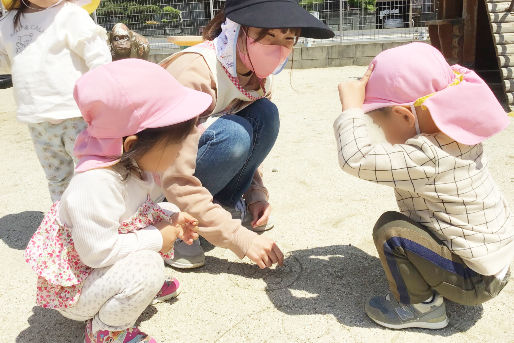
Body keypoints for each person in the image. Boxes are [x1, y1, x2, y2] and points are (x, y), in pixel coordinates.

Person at [24, 59, 211, 343]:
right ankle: (107, 332)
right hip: (77, 289)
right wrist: (158, 238)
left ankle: (130, 288)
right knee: (149, 265)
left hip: (97, 266)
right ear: (133, 145)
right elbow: (97, 254)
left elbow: (136, 211)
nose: (180, 153)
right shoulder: (94, 186)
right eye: (175, 146)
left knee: (169, 211)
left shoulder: (131, 165)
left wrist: (169, 220)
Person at [334, 43, 513, 329]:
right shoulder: (460, 137)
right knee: (413, 225)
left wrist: (351, 110)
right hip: (495, 268)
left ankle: (420, 308)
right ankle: (438, 280)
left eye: (380, 125)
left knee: (392, 231)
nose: (382, 134)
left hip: (475, 282)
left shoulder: (427, 156)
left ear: (405, 115)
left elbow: (355, 158)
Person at [160, 0, 334, 269]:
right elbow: (172, 174)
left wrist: (256, 195)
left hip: (195, 170)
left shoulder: (257, 75)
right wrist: (240, 239)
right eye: (269, 35)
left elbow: (253, 142)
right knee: (233, 133)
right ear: (238, 31)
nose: (279, 47)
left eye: (289, 38)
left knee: (265, 114)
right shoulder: (196, 71)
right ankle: (176, 228)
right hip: (159, 186)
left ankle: (222, 208)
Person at [0, 0, 111, 201]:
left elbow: (98, 55)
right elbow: (6, 60)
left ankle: (98, 219)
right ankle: (63, 223)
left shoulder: (71, 15)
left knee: (93, 172)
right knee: (57, 178)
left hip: (77, 114)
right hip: (38, 119)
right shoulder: (9, 23)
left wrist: (100, 94)